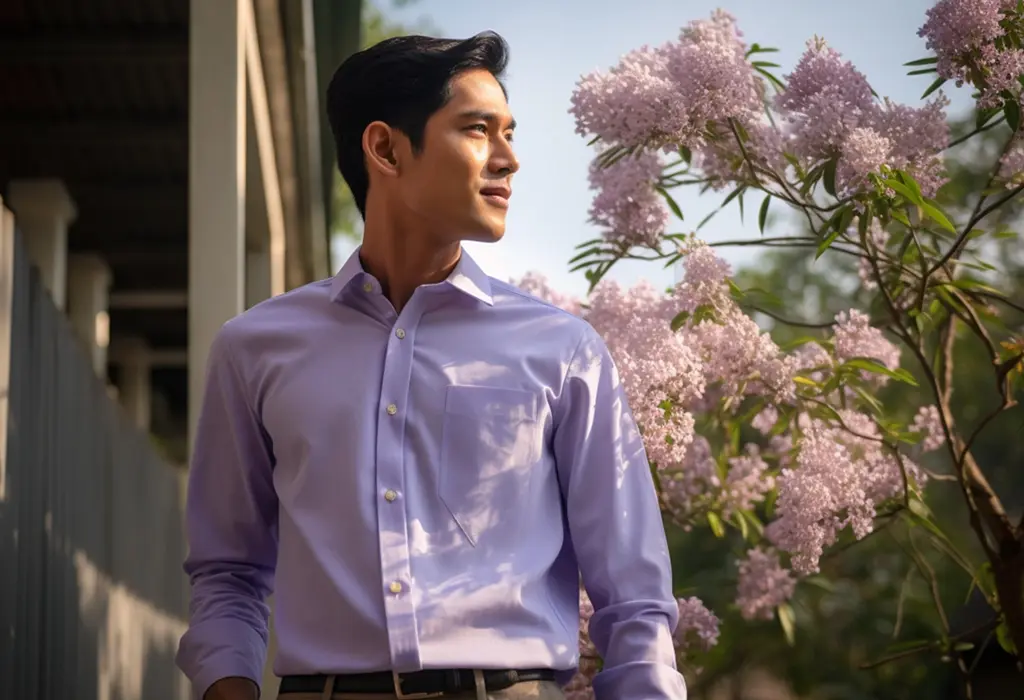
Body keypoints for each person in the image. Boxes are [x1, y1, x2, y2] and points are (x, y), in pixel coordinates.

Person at [175, 31, 686, 700]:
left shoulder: (563, 351)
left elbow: (635, 598)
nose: (508, 159)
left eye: (509, 133)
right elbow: (227, 571)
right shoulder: (254, 349)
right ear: (385, 148)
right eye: (478, 130)